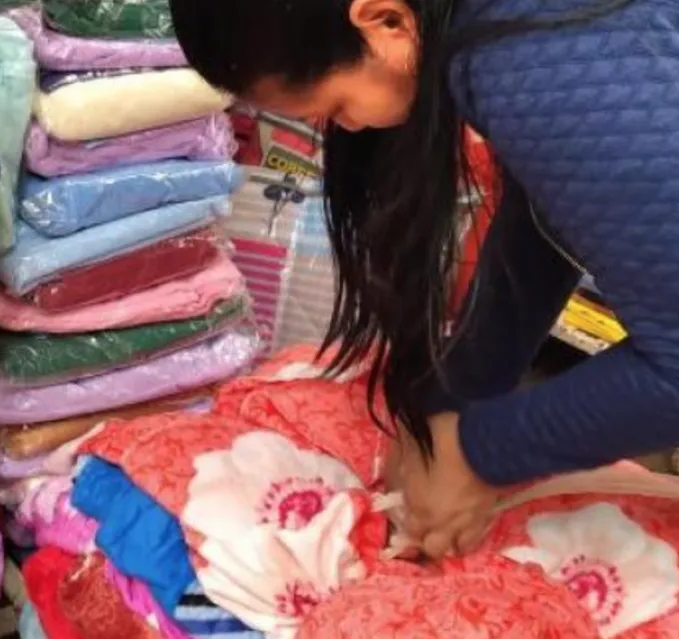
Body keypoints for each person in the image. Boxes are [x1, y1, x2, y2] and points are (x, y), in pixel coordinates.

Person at [168, 0, 675, 559]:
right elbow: (545, 215)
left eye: (336, 107)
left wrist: (479, 454)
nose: (348, 127)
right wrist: (457, 394)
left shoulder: (533, 59)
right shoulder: (510, 39)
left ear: (387, 22)